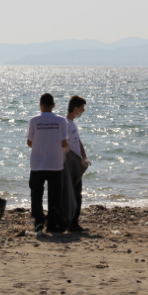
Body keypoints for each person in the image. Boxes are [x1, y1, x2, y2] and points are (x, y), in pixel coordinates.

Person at [26, 93, 69, 235]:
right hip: (55, 163)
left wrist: (40, 143)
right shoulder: (62, 121)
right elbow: (64, 142)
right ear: (53, 105)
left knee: (36, 194)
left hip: (37, 163)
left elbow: (29, 142)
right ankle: (52, 224)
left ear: (40, 105)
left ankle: (38, 221)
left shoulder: (34, 120)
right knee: (54, 196)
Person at [65, 95, 91, 233]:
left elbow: (78, 141)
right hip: (70, 166)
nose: (83, 110)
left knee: (78, 195)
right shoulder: (65, 123)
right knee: (74, 195)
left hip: (77, 165)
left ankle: (73, 223)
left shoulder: (73, 123)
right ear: (75, 108)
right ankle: (71, 224)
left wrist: (84, 157)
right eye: (82, 108)